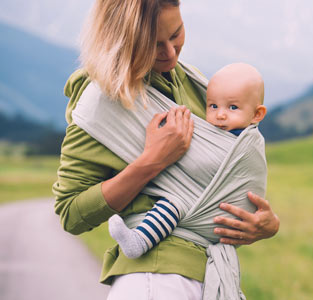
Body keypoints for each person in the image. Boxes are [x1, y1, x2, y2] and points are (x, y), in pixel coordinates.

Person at [52, 1, 279, 299]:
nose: (170, 53)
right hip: (154, 280)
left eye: (176, 34)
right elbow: (71, 213)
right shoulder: (101, 105)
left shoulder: (195, 84)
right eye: (153, 45)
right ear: (122, 41)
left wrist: (266, 224)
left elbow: (223, 175)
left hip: (210, 276)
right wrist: (151, 161)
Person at [108, 63, 267, 259]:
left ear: (257, 114)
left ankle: (139, 241)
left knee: (175, 202)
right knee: (175, 201)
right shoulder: (215, 133)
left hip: (227, 216)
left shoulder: (246, 143)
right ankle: (140, 239)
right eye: (213, 106)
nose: (220, 115)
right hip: (215, 214)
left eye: (233, 107)